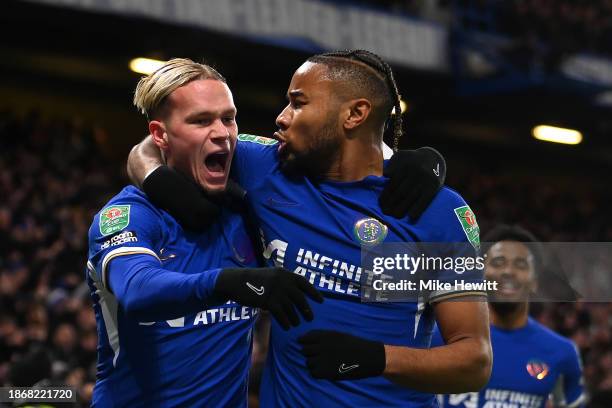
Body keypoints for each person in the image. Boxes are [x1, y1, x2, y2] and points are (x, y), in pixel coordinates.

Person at [130, 50, 491, 407]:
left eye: (298, 103)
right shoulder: (268, 168)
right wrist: (165, 186)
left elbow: (474, 360)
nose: (281, 118)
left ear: (355, 114)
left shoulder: (438, 213)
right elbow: (154, 144)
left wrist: (378, 358)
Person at [86, 59, 325, 407]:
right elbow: (138, 290)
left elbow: (325, 156)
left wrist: (407, 163)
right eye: (201, 120)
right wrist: (229, 282)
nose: (222, 133)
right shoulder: (129, 215)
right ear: (159, 135)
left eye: (228, 118)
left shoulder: (246, 210)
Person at [435, 225, 586, 408]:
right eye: (498, 263)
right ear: (480, 275)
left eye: (521, 265)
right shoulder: (438, 337)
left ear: (535, 281)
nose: (508, 271)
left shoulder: (562, 353)